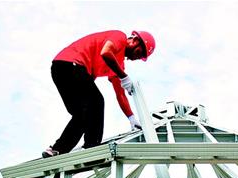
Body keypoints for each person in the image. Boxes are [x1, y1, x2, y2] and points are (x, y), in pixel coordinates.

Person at [42, 30, 155, 158]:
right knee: (96, 102)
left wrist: (131, 118)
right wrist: (124, 76)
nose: (136, 58)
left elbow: (120, 94)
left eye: (140, 58)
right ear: (134, 40)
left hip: (60, 70)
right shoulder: (120, 37)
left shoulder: (118, 65)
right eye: (139, 53)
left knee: (82, 115)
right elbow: (106, 52)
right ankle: (92, 146)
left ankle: (57, 151)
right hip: (70, 64)